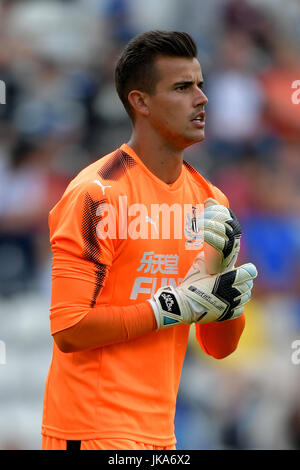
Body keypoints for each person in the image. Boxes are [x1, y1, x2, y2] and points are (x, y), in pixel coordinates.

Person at [41, 30, 257, 451]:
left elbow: (219, 347)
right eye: (182, 87)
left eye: (200, 84)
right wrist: (171, 307)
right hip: (90, 430)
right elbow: (68, 327)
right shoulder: (97, 193)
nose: (202, 98)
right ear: (140, 102)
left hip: (160, 436)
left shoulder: (211, 201)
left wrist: (225, 291)